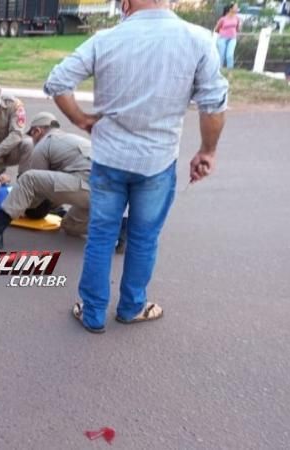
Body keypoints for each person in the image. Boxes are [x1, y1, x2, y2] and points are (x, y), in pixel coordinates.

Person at [43, 0, 228, 333]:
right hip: (157, 162)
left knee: (101, 236)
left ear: (126, 3)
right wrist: (207, 151)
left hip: (109, 160)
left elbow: (57, 83)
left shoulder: (105, 39)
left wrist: (81, 119)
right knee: (144, 238)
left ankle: (92, 312)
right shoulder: (198, 39)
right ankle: (132, 307)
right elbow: (213, 104)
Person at [0, 112, 99, 248]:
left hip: (88, 185)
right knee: (70, 226)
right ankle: (115, 230)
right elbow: (56, 184)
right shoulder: (70, 139)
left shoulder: (44, 144)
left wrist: (21, 206)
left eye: (31, 135)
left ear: (37, 131)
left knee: (28, 178)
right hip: (104, 193)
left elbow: (35, 190)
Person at [214, 3, 240, 70]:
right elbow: (216, 29)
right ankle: (219, 70)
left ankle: (230, 71)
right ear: (230, 9)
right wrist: (223, 33)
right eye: (235, 7)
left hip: (232, 39)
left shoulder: (237, 18)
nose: (237, 9)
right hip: (222, 38)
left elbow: (238, 29)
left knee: (229, 55)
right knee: (221, 56)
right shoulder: (222, 19)